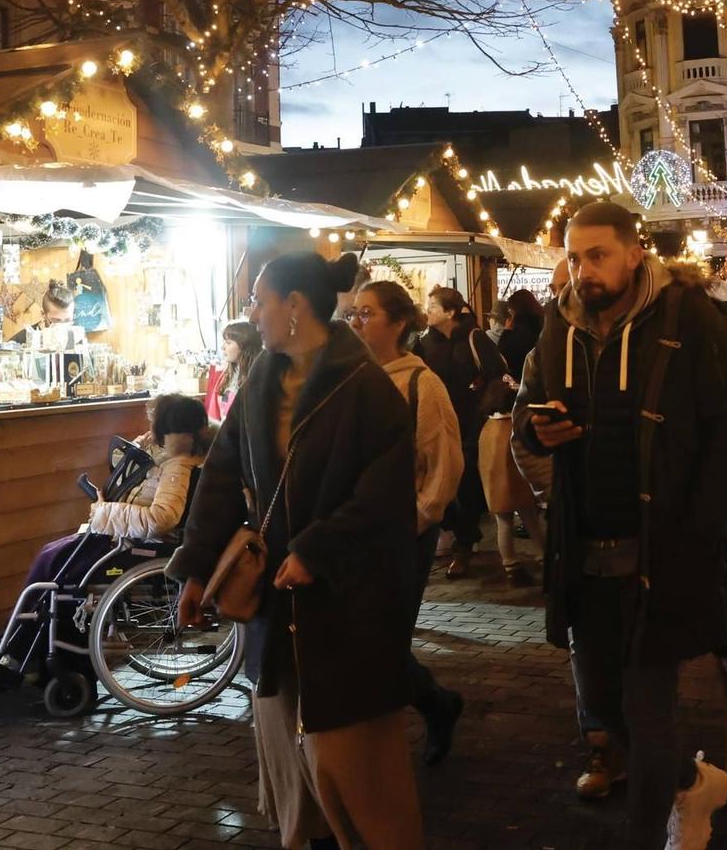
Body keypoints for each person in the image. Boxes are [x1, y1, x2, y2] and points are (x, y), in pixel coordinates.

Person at [515, 201, 727, 850]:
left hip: (659, 553)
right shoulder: (557, 325)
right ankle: (691, 780)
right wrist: (536, 428)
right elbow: (524, 415)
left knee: (648, 714)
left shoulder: (687, 318)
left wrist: (698, 522)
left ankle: (649, 834)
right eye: (574, 255)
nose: (583, 269)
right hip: (583, 553)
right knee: (605, 713)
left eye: (597, 254)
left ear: (634, 254)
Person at [170, 251, 422, 850]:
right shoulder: (259, 377)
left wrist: (318, 550)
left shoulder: (365, 387)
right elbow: (222, 477)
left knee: (352, 763)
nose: (251, 312)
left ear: (295, 307)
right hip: (273, 607)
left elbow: (385, 498)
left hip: (345, 607)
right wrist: (197, 570)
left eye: (259, 300)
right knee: (290, 757)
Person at [0, 396, 212, 676]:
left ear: (168, 428)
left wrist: (103, 511)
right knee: (51, 556)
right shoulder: (169, 458)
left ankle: (18, 650)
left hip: (137, 546)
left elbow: (160, 520)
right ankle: (15, 646)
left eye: (154, 424)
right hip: (124, 538)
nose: (150, 426)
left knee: (57, 568)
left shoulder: (177, 467)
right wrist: (141, 446)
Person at [348, 279, 466, 764]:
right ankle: (432, 706)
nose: (357, 322)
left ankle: (431, 709)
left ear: (399, 322)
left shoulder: (421, 383)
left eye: (368, 314)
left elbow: (443, 466)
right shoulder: (349, 378)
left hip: (402, 533)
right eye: (353, 313)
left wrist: (415, 521)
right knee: (365, 638)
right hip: (355, 530)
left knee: (383, 640)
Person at [419, 287, 507, 578]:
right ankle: (456, 534)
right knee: (440, 483)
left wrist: (482, 408)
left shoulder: (474, 338)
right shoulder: (423, 344)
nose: (428, 310)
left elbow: (497, 373)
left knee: (466, 483)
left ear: (451, 311)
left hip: (470, 424)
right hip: (437, 423)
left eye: (433, 305)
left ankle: (464, 547)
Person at [481, 289, 548, 585]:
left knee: (505, 514)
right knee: (526, 510)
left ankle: (513, 565)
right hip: (534, 418)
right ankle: (547, 558)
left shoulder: (509, 343)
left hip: (509, 418)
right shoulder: (544, 332)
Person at [207, 320, 261, 424]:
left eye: (228, 343)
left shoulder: (256, 378)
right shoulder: (229, 374)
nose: (223, 347)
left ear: (244, 346)